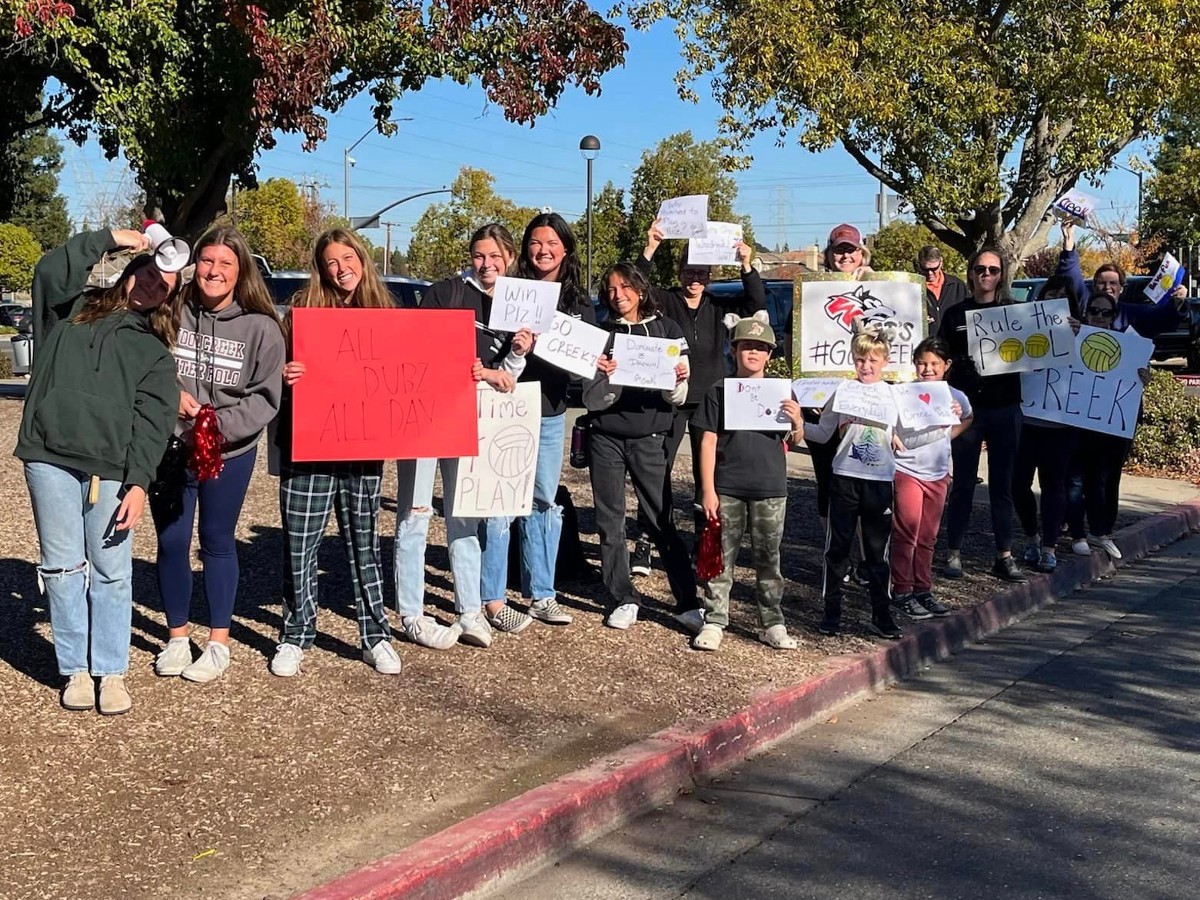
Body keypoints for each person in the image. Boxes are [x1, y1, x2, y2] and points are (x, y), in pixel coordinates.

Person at [17, 230, 180, 713]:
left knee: (111, 570)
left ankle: (110, 671)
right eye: (148, 273)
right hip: (49, 457)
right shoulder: (70, 312)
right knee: (62, 568)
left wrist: (139, 483)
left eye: (164, 286)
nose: (152, 285)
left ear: (166, 300)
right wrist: (109, 238)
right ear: (131, 271)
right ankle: (75, 669)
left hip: (110, 470)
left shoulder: (153, 352)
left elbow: (153, 422)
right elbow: (49, 272)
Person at [150, 227, 285, 683]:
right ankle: (176, 636)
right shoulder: (170, 309)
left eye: (225, 263)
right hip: (169, 445)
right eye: (207, 261)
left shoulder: (262, 326)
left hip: (230, 450)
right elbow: (145, 363)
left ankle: (218, 642)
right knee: (171, 540)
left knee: (216, 540)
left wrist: (215, 426)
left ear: (240, 271)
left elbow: (265, 397)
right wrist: (169, 396)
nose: (214, 271)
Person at [269, 229, 402, 677]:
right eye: (331, 262)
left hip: (363, 447)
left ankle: (375, 635)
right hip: (308, 444)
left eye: (348, 258)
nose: (341, 268)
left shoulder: (385, 314)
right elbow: (271, 370)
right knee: (299, 545)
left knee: (364, 544)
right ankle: (295, 634)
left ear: (362, 260)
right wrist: (286, 375)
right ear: (320, 268)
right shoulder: (300, 312)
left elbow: (412, 372)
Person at [392, 223, 530, 650]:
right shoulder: (445, 293)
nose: (487, 264)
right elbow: (415, 352)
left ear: (509, 258)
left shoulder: (518, 306)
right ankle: (412, 612)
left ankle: (470, 609)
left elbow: (506, 379)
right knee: (415, 515)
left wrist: (517, 354)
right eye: (479, 255)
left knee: (465, 516)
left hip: (477, 421)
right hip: (424, 416)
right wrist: (473, 370)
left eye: (496, 256)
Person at [626, 218, 766, 575]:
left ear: (710, 275)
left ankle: (703, 539)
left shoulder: (719, 306)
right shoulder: (664, 301)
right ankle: (647, 537)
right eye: (689, 271)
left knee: (709, 474)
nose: (694, 279)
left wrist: (746, 264)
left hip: (711, 399)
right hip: (671, 397)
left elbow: (755, 303)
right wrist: (650, 247)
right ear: (680, 272)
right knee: (658, 468)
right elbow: (636, 288)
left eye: (701, 273)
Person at [479, 213, 593, 627]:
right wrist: (517, 347)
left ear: (566, 248)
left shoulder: (578, 302)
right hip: (507, 409)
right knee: (500, 505)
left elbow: (586, 361)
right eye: (535, 243)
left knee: (543, 501)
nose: (543, 251)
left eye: (552, 243)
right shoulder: (510, 293)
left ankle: (542, 594)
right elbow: (491, 353)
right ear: (525, 249)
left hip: (550, 411)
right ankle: (491, 597)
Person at [584, 261, 700, 630]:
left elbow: (678, 396)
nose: (617, 295)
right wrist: (606, 380)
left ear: (640, 288)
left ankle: (687, 601)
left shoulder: (667, 330)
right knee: (610, 522)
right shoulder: (601, 333)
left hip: (650, 437)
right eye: (611, 289)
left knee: (661, 519)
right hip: (605, 437)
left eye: (624, 287)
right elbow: (590, 399)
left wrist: (677, 380)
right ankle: (623, 596)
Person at [691, 312, 802, 651]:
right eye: (746, 346)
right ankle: (714, 620)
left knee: (769, 558)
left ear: (769, 354)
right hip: (727, 486)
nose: (753, 352)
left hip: (770, 487)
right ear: (734, 349)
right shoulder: (719, 390)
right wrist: (708, 490)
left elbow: (795, 440)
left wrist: (798, 421)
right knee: (720, 557)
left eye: (760, 347)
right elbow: (707, 440)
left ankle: (772, 622)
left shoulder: (783, 391)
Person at [799, 329, 902, 638]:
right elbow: (822, 433)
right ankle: (831, 613)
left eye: (873, 360)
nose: (866, 366)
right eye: (860, 360)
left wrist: (947, 417)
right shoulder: (842, 391)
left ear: (885, 361)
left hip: (879, 482)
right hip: (844, 478)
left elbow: (914, 430)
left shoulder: (896, 395)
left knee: (877, 553)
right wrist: (796, 423)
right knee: (837, 549)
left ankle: (881, 615)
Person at [937, 247, 1026, 583]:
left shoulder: (1015, 312)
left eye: (992, 270)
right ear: (971, 273)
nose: (986, 275)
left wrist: (1067, 329)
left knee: (1003, 486)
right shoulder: (955, 314)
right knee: (962, 484)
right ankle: (953, 553)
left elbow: (1045, 346)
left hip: (1006, 407)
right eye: (980, 269)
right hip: (968, 411)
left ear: (1001, 275)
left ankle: (1004, 555)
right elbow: (939, 356)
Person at [1064, 290, 1151, 561]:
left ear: (1114, 317)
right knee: (1075, 479)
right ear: (1086, 312)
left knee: (1105, 480)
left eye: (1106, 312)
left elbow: (1135, 382)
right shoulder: (1073, 337)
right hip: (1077, 423)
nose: (1099, 317)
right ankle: (1077, 534)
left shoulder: (1127, 347)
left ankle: (1101, 531)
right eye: (1095, 311)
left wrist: (1143, 378)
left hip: (1111, 426)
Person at [890, 337, 973, 620]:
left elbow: (968, 417)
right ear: (914, 365)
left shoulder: (956, 396)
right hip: (907, 471)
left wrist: (947, 435)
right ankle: (901, 590)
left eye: (934, 364)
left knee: (927, 536)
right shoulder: (902, 393)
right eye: (921, 363)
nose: (927, 369)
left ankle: (923, 589)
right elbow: (888, 423)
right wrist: (893, 437)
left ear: (946, 365)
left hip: (938, 475)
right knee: (906, 533)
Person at [1012, 277, 1083, 573]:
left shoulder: (1082, 333)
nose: (1056, 299)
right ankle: (1032, 537)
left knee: (1053, 486)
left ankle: (1049, 548)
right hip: (1025, 423)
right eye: (1051, 294)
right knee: (1018, 485)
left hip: (1061, 427)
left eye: (1063, 296)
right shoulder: (1023, 328)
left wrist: (1080, 335)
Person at [1053, 220, 1186, 331]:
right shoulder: (1084, 305)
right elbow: (1072, 279)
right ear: (1094, 286)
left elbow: (1161, 319)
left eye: (1113, 283)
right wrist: (1069, 246)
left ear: (1121, 288)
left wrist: (1177, 303)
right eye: (1102, 283)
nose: (1107, 287)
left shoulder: (1131, 314)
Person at [916, 245, 967, 334]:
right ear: (919, 264)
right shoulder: (913, 288)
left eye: (934, 269)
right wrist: (918, 320)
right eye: (925, 269)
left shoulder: (957, 286)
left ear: (941, 262)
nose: (930, 273)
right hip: (926, 341)